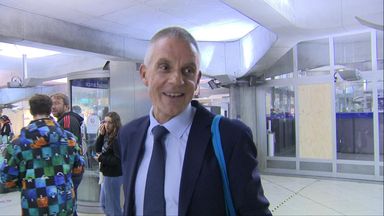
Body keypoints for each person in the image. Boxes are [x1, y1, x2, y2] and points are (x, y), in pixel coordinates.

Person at [118, 27, 271, 216]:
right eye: (165, 67)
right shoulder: (129, 135)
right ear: (144, 74)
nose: (176, 80)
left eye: (188, 70)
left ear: (197, 80)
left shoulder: (230, 138)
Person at [0, 94, 85, 215]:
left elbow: (6, 178)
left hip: (34, 206)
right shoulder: (69, 138)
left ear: (31, 111)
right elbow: (79, 169)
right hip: (64, 205)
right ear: (50, 109)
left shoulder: (18, 142)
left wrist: (28, 183)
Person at [51, 93, 84, 216]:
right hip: (70, 169)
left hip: (69, 170)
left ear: (66, 106)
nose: (53, 107)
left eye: (57, 103)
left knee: (67, 206)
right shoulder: (63, 119)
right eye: (52, 104)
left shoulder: (67, 119)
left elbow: (67, 148)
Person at [94, 111, 123, 216]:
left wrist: (101, 158)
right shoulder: (107, 135)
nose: (106, 125)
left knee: (113, 207)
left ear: (115, 123)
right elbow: (97, 149)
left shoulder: (117, 138)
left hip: (113, 175)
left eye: (109, 122)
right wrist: (101, 136)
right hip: (106, 174)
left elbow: (118, 160)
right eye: (105, 122)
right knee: (104, 204)